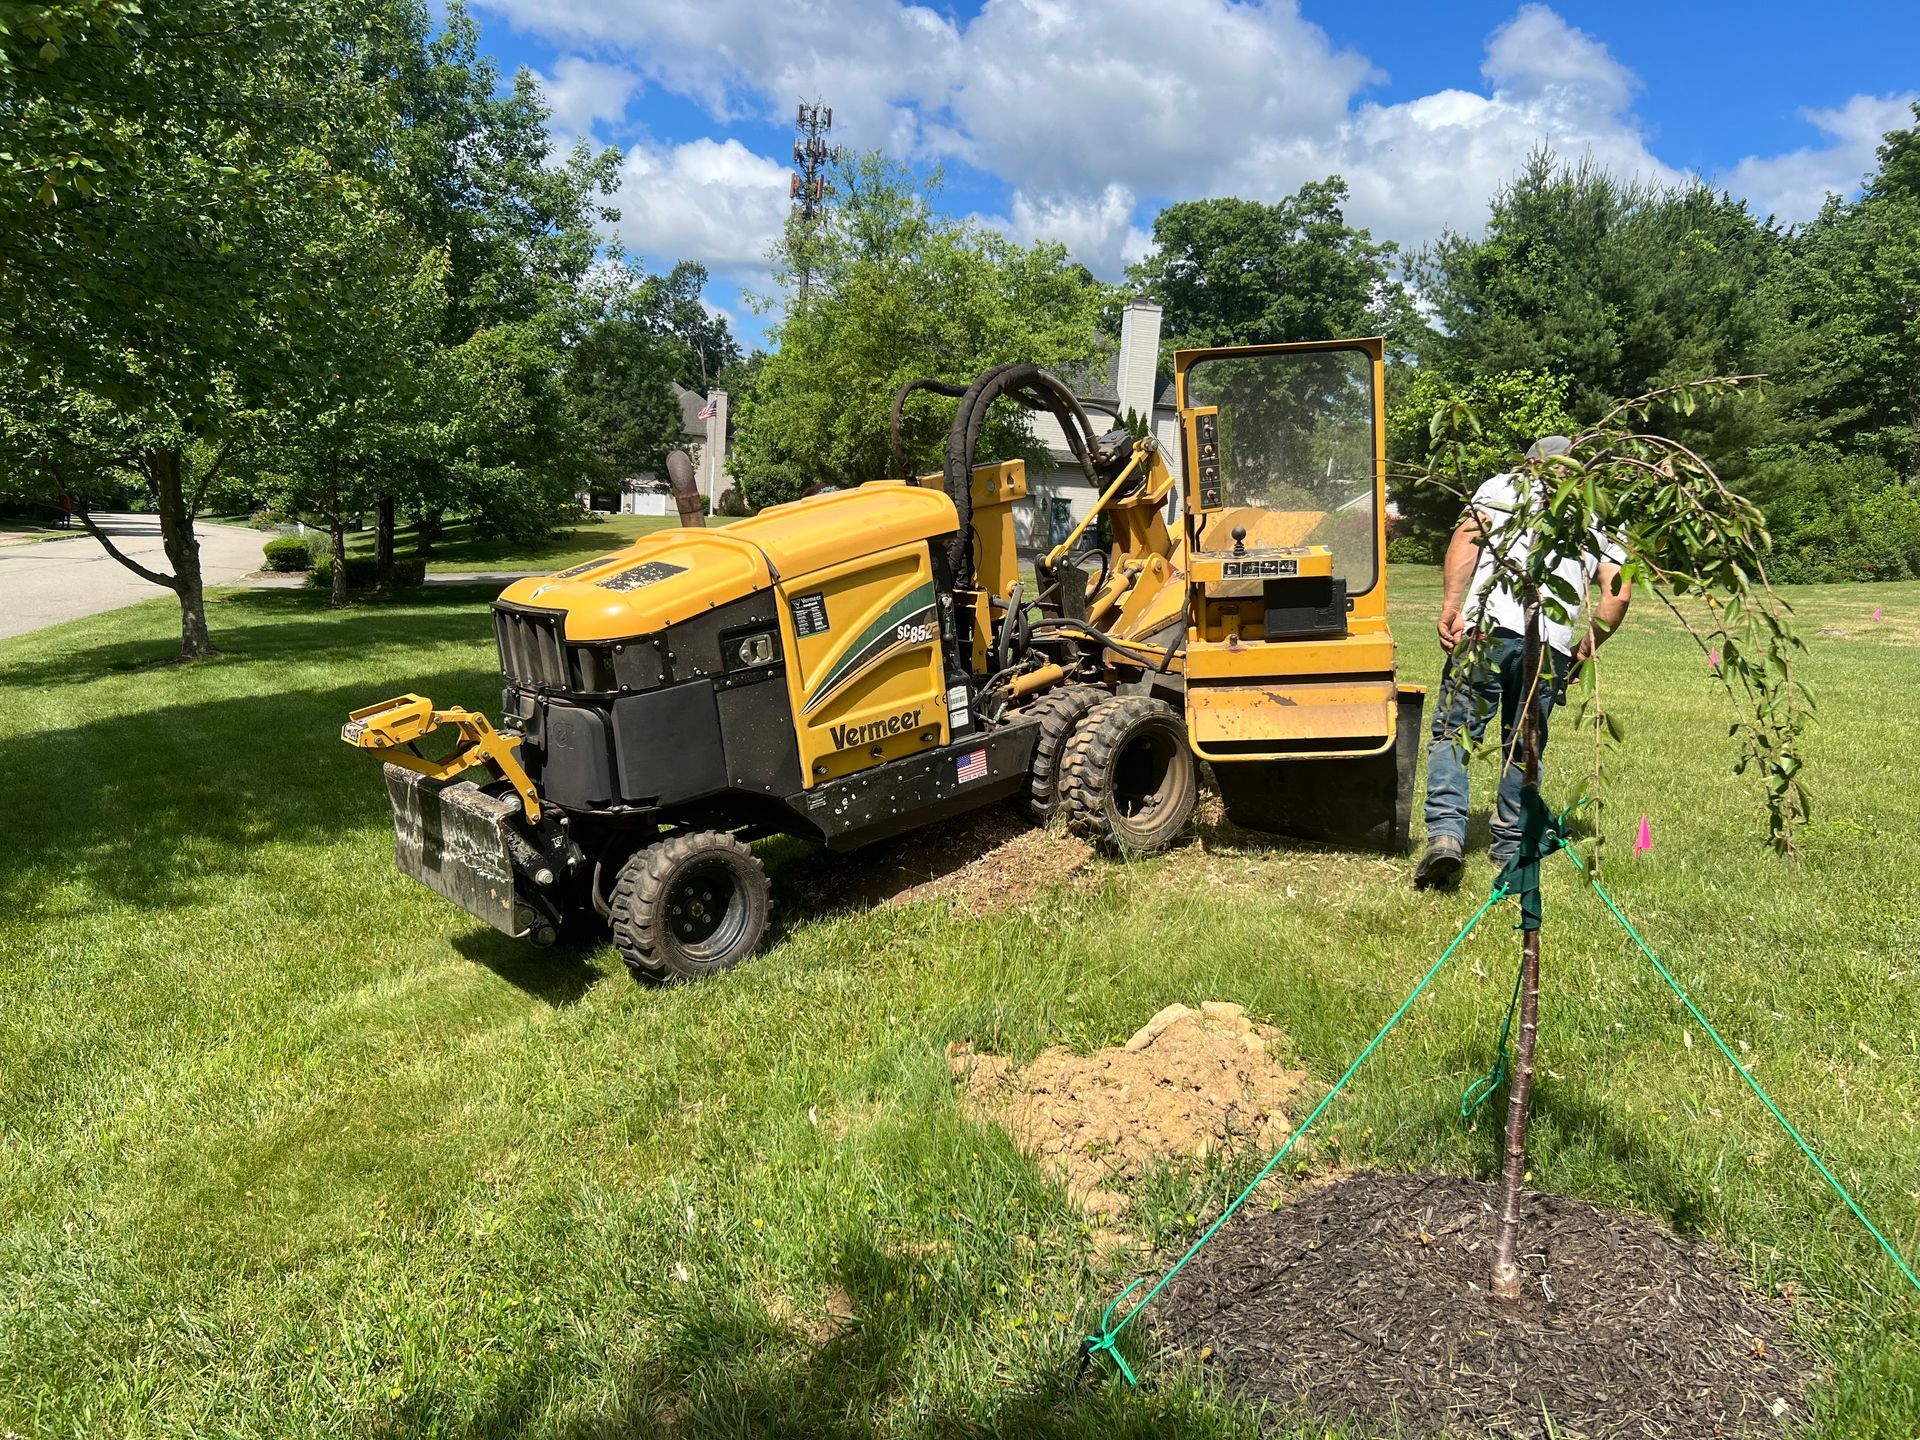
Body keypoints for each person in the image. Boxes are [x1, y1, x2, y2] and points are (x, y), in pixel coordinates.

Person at [1412, 436, 1632, 891]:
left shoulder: (1501, 487)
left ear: (1531, 465)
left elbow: (1466, 539)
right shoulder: (1599, 512)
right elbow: (1618, 593)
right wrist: (1586, 645)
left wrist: (1452, 606)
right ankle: (1511, 843)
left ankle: (1447, 836)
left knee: (1456, 732)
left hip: (1483, 632)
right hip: (1549, 644)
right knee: (1524, 741)